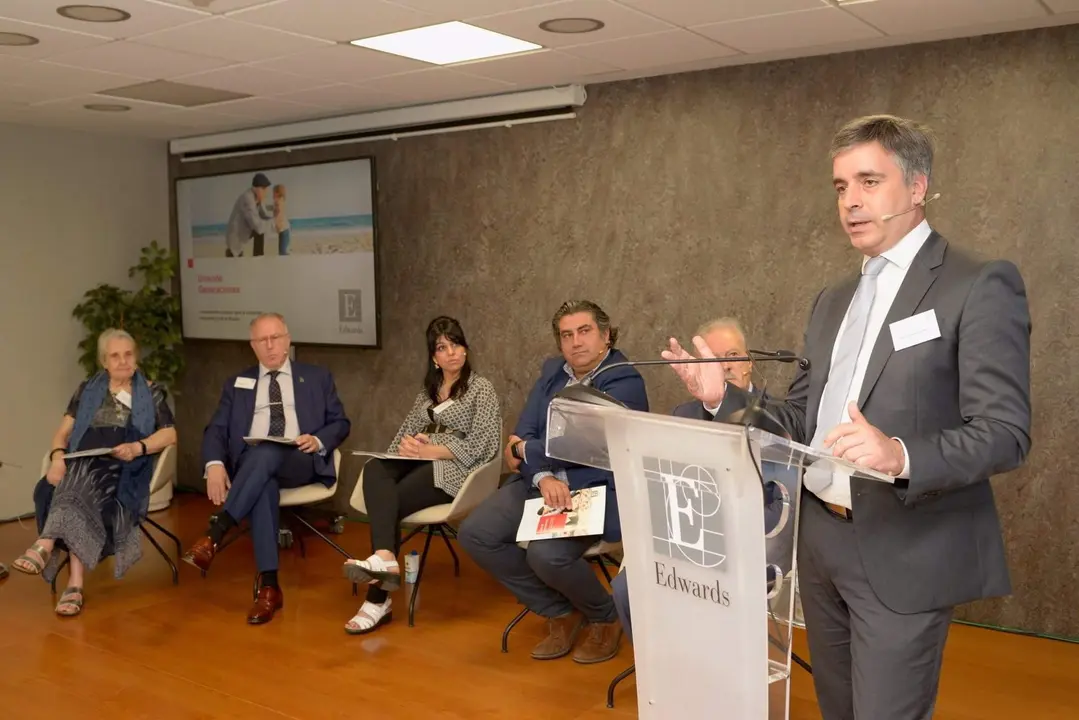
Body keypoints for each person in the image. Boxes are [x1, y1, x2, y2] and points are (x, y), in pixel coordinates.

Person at [664, 114, 1032, 720]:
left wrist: (902, 455)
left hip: (904, 544)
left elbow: (1005, 434)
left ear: (917, 188)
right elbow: (803, 419)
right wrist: (721, 398)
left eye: (868, 181)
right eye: (840, 187)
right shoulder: (834, 299)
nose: (852, 202)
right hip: (821, 540)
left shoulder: (977, 284)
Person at [458, 300, 648, 665]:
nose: (576, 342)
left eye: (584, 331)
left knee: (546, 554)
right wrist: (541, 472)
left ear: (605, 336)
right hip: (541, 482)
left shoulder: (624, 378)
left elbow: (588, 445)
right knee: (476, 534)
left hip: (598, 489)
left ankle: (604, 616)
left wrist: (528, 450)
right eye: (567, 335)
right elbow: (523, 429)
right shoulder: (552, 372)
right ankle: (559, 610)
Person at [181, 312, 351, 624]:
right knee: (263, 484)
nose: (270, 345)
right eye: (263, 340)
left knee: (271, 448)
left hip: (299, 458)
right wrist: (215, 463)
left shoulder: (316, 377)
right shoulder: (237, 384)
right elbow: (216, 429)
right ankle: (270, 588)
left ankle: (216, 531)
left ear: (287, 340)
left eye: (276, 338)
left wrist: (317, 438)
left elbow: (341, 423)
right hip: (253, 464)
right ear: (253, 346)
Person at [342, 316, 502, 634]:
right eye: (443, 348)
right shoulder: (427, 391)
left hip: (457, 471)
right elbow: (405, 432)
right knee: (375, 468)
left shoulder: (481, 389)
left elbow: (485, 444)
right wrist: (404, 446)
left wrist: (436, 450)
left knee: (392, 503)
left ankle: (377, 600)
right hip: (419, 463)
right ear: (434, 357)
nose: (452, 352)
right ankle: (386, 557)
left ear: (466, 350)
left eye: (456, 344)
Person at [610, 316, 762, 643]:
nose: (724, 366)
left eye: (732, 356)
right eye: (713, 360)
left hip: (751, 544)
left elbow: (780, 503)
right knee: (626, 587)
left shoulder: (777, 415)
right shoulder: (684, 415)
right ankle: (666, 665)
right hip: (689, 536)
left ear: (749, 362)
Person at [10, 329, 177, 616]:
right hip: (82, 461)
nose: (123, 361)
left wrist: (138, 447)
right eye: (115, 356)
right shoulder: (86, 390)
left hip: (123, 466)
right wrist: (58, 457)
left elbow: (170, 434)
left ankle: (47, 546)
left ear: (136, 358)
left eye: (128, 354)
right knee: (74, 480)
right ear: (104, 361)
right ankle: (73, 583)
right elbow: (62, 434)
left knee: (77, 483)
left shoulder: (152, 392)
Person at [225, 172, 273, 257]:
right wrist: (273, 222)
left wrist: (274, 213)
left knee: (262, 230)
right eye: (264, 188)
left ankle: (259, 257)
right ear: (256, 188)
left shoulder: (257, 198)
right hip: (235, 240)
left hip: (243, 235)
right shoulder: (247, 199)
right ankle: (258, 258)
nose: (266, 192)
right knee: (235, 263)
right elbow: (258, 226)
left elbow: (264, 215)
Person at [273, 184, 290, 256]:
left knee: (282, 251)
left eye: (273, 192)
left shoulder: (278, 202)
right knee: (282, 250)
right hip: (284, 229)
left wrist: (277, 225)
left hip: (283, 229)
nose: (272, 195)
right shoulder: (280, 201)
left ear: (277, 193)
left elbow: (278, 212)